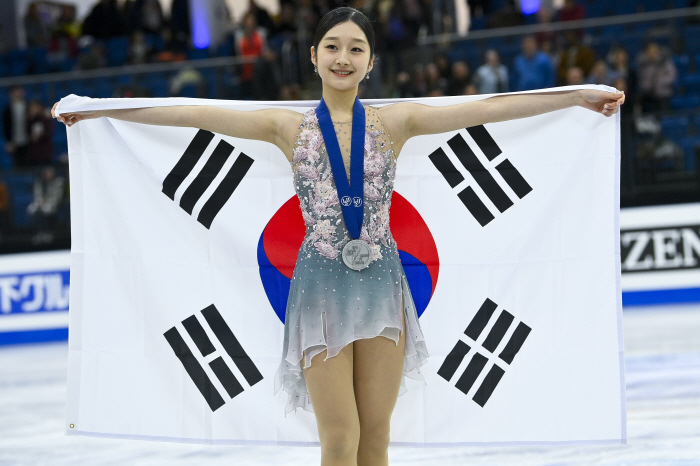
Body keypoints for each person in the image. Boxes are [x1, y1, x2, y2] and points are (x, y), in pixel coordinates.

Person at [53, 7, 624, 465]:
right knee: (339, 441)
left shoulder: (395, 123)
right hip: (320, 292)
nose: (343, 57)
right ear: (314, 56)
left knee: (375, 444)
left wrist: (576, 97)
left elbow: (488, 109)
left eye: (355, 48)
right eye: (333, 46)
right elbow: (195, 113)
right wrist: (101, 111)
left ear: (371, 61)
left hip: (384, 289)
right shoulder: (286, 126)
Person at [3, 86, 30, 168]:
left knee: (27, 162)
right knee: (17, 164)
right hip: (14, 141)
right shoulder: (7, 109)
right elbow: (6, 126)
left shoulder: (28, 106)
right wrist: (9, 141)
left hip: (27, 139)